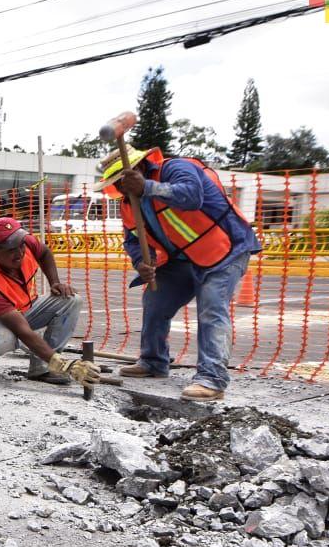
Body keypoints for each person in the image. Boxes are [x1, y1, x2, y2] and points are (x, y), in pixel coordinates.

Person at [106, 145, 260, 401]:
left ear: (139, 168)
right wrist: (142, 262)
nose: (121, 188)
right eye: (116, 184)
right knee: (155, 302)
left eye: (122, 180)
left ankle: (212, 378)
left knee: (211, 307)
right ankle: (153, 362)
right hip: (182, 259)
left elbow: (191, 196)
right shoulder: (128, 204)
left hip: (224, 250)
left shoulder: (176, 168)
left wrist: (147, 187)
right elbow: (132, 240)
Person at [0, 217, 93, 386]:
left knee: (70, 300)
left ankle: (42, 368)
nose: (19, 252)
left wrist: (54, 282)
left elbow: (44, 252)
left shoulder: (25, 242)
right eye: (10, 249)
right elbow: (22, 331)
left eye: (20, 245)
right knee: (4, 339)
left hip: (20, 309)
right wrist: (64, 366)